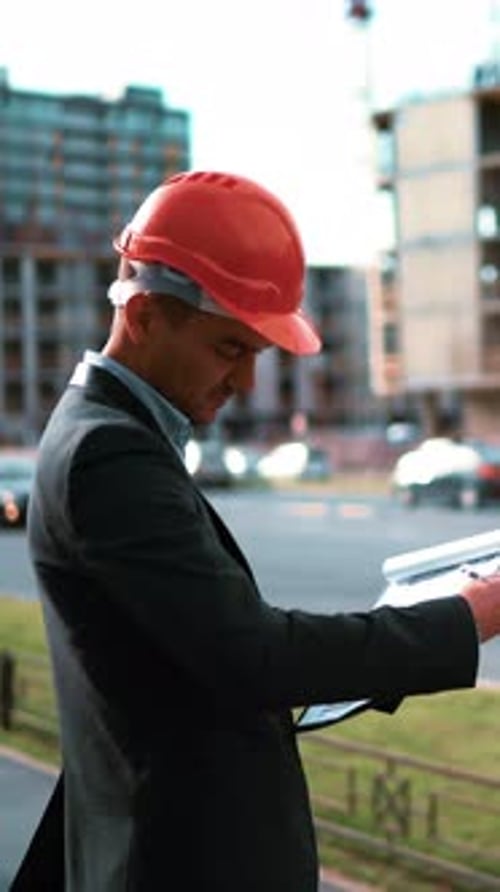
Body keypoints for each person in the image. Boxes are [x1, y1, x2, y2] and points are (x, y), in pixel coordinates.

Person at [15, 170, 500, 892]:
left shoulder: (107, 432)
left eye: (256, 355)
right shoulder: (107, 452)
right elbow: (256, 657)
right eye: (228, 349)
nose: (245, 384)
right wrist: (466, 617)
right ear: (144, 315)